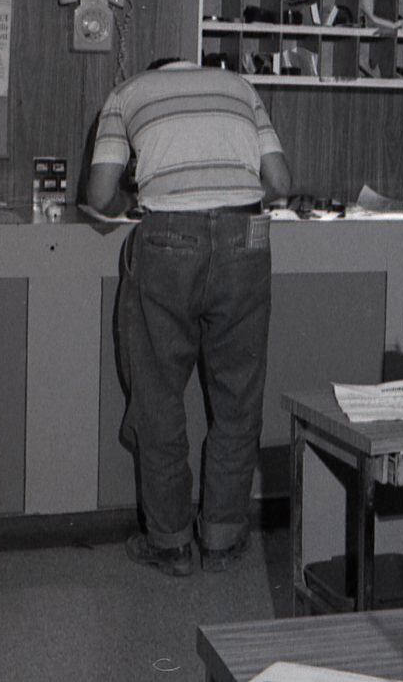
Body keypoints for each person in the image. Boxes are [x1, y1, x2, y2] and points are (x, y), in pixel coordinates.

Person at [86, 57, 293, 577]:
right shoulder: (239, 86)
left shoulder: (127, 94)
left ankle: (170, 542)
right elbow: (282, 182)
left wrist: (138, 203)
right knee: (238, 397)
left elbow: (98, 195)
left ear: (156, 70)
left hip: (167, 241)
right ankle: (222, 538)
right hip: (246, 240)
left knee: (156, 396)